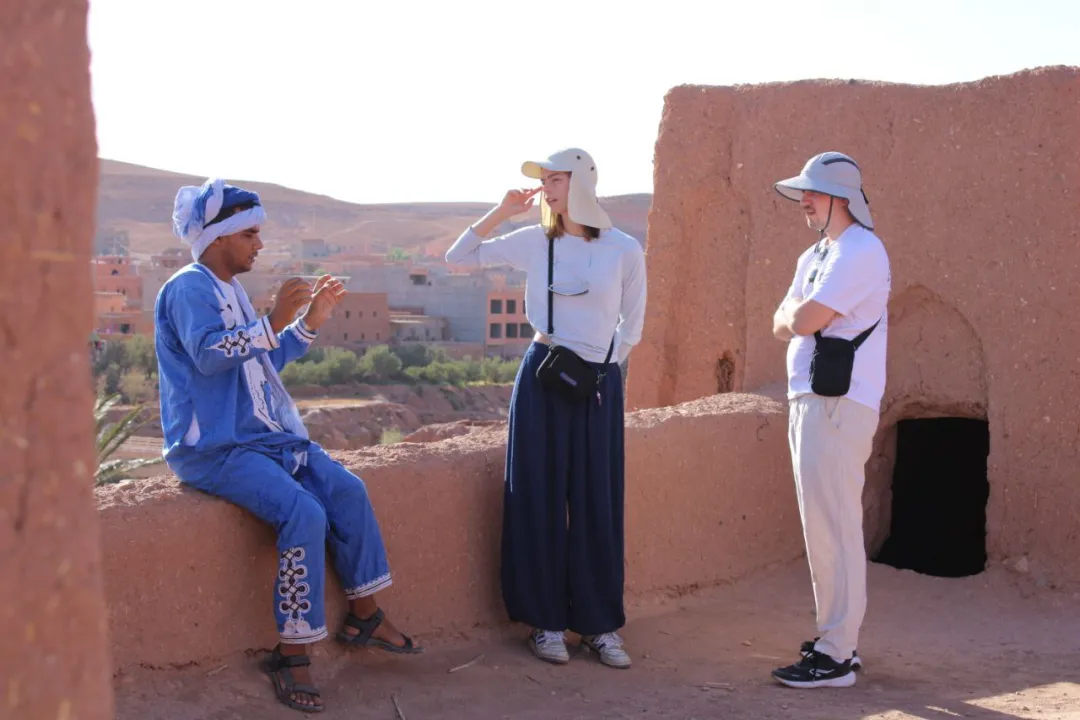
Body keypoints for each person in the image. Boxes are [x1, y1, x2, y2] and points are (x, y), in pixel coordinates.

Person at [154, 178, 422, 714]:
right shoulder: (188, 289)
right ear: (219, 237)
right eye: (250, 234)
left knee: (345, 490)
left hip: (261, 437)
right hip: (215, 449)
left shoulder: (227, 290)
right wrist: (274, 319)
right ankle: (291, 652)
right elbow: (211, 357)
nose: (259, 244)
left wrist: (306, 325)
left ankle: (364, 615)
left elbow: (257, 363)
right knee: (302, 513)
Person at [445, 148, 647, 669]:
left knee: (596, 500)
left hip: (599, 384)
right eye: (546, 180)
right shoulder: (534, 240)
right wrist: (501, 211)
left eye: (557, 179)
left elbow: (633, 324)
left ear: (582, 184)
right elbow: (458, 258)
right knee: (536, 496)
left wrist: (601, 369)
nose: (548, 189)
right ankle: (546, 624)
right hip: (542, 376)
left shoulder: (624, 249)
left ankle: (600, 626)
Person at [769, 152, 891, 688]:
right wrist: (796, 316)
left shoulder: (862, 250)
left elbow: (803, 317)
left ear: (841, 197)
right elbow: (783, 319)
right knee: (818, 523)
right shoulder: (818, 253)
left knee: (835, 523)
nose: (804, 202)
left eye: (813, 193)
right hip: (811, 400)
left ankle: (838, 653)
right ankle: (833, 640)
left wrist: (798, 316)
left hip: (840, 404)